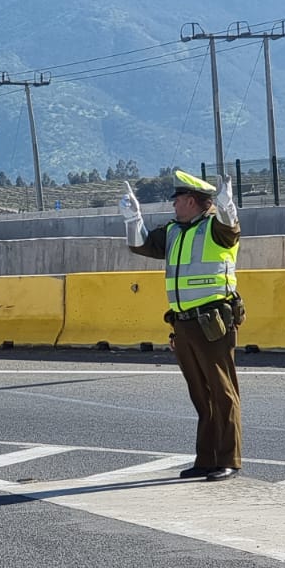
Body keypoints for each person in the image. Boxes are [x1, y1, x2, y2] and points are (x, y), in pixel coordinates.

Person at [121, 170, 243, 482]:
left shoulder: (215, 228)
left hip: (213, 321)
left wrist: (228, 206)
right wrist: (132, 219)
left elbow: (231, 227)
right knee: (201, 395)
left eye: (176, 200)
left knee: (222, 391)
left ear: (191, 201)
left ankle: (228, 459)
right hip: (184, 323)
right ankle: (206, 459)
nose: (173, 206)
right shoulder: (175, 231)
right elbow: (142, 245)